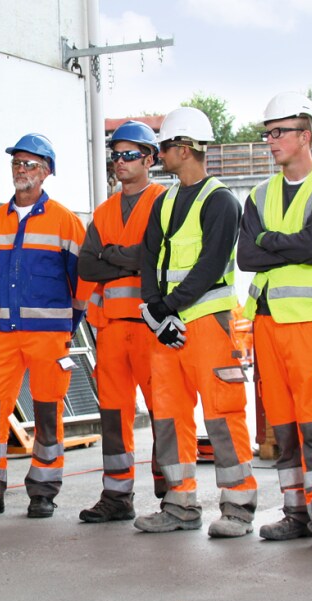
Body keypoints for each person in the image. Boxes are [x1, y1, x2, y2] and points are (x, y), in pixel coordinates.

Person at [239, 92, 312, 552]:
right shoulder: (258, 194)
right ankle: (295, 511)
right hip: (266, 321)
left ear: (305, 136)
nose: (271, 141)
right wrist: (279, 242)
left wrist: (270, 240)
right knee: (283, 425)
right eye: (268, 133)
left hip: (309, 322)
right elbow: (247, 256)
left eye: (280, 132)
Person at [0, 134, 88, 519]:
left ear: (45, 172)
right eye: (17, 163)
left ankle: (43, 491)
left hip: (48, 336)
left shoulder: (66, 222)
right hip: (3, 335)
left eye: (29, 164)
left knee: (46, 413)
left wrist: (66, 326)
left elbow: (82, 283)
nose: (21, 170)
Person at [133, 107, 258, 538]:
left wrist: (164, 309)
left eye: (164, 147)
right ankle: (180, 504)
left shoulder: (221, 200)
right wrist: (154, 309)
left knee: (222, 414)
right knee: (168, 415)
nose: (159, 154)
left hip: (208, 323)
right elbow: (148, 255)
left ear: (184, 149)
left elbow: (210, 266)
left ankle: (238, 508)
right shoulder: (164, 200)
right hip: (168, 327)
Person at [77, 120, 167, 522]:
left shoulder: (165, 202)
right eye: (116, 155)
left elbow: (155, 258)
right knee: (114, 415)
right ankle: (117, 497)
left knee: (164, 410)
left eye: (130, 155)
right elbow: (86, 266)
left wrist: (111, 255)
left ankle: (173, 494)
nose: (121, 162)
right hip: (111, 329)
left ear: (149, 159)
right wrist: (128, 258)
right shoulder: (103, 211)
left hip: (152, 328)